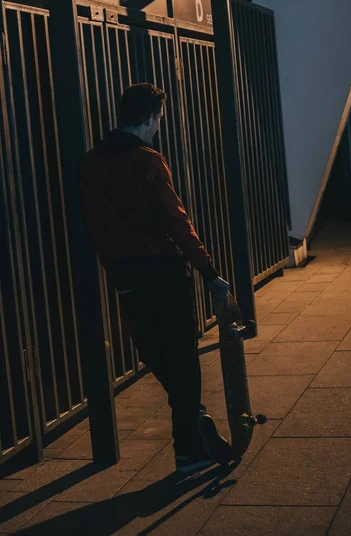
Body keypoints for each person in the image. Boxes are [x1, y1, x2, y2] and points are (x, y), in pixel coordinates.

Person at [77, 82, 232, 473]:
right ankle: (189, 448)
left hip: (125, 276)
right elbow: (177, 222)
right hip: (164, 272)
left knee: (155, 353)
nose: (159, 125)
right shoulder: (148, 161)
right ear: (150, 118)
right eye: (159, 118)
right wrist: (209, 271)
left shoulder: (90, 164)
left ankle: (193, 425)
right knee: (182, 357)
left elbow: (92, 225)